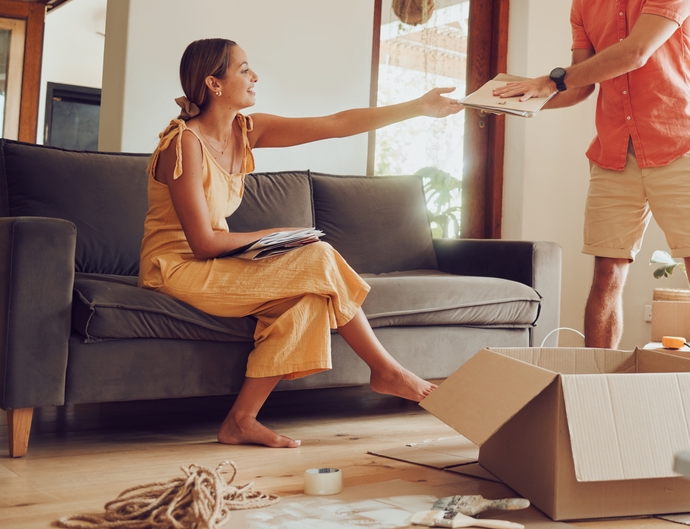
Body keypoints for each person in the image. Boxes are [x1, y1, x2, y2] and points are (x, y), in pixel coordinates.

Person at [138, 38, 463, 448]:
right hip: (175, 268)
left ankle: (240, 420)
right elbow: (202, 243)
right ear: (214, 84)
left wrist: (415, 107)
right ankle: (387, 371)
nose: (254, 76)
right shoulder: (183, 142)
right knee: (319, 254)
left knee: (309, 300)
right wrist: (271, 236)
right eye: (243, 69)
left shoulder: (247, 131)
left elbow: (335, 124)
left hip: (214, 264)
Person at [493, 0, 690, 365]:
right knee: (607, 275)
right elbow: (580, 87)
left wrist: (550, 78)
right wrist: (512, 102)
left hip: (678, 145)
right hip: (614, 154)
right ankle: (594, 396)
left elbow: (636, 52)